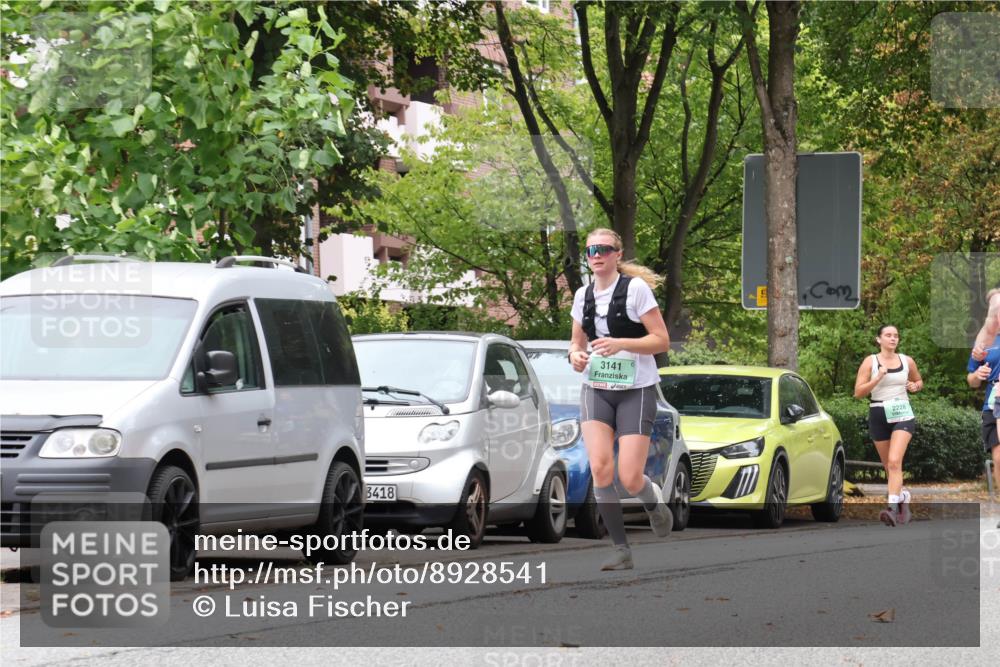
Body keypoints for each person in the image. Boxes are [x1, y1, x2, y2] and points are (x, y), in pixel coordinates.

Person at [568, 227, 672, 570]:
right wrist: (575, 357)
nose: (596, 255)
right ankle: (620, 549)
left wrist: (622, 343)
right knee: (600, 467)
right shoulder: (582, 295)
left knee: (629, 476)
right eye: (590, 251)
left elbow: (661, 341)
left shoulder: (635, 290)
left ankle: (653, 503)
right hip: (597, 388)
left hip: (636, 389)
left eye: (603, 249)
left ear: (617, 254)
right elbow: (576, 344)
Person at [853, 325, 924, 527]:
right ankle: (902, 497)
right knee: (889, 467)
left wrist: (915, 386)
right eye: (888, 335)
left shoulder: (907, 360)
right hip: (878, 413)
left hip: (902, 413)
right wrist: (877, 378)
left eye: (896, 336)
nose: (893, 339)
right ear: (879, 339)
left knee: (894, 461)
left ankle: (891, 509)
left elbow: (919, 381)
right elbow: (858, 393)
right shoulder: (871, 361)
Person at [968, 291, 1000, 528]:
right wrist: (977, 374)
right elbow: (971, 380)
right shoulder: (984, 343)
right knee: (998, 458)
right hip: (993, 403)